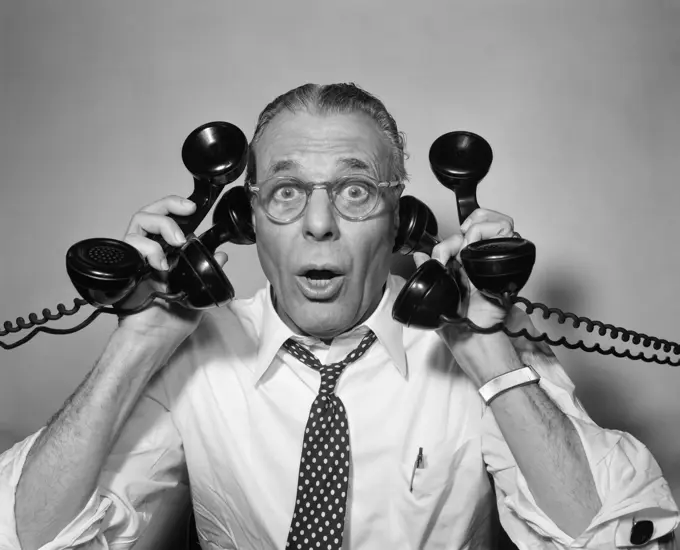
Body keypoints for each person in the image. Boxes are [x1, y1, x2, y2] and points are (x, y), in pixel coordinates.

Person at [1, 83, 678, 550]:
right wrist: (136, 342)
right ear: (247, 222)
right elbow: (25, 536)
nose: (319, 224)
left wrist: (489, 352)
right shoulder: (195, 353)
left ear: (399, 221)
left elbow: (613, 535)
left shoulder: (476, 345)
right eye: (287, 192)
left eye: (355, 192)